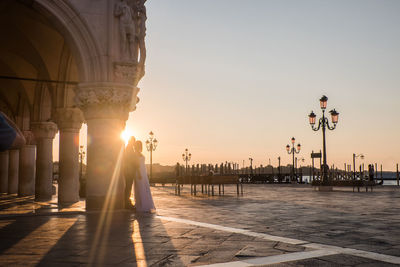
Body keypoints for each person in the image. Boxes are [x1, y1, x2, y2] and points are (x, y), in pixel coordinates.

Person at [133, 140, 156, 213]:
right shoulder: (135, 154)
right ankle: (141, 205)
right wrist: (139, 173)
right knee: (140, 189)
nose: (141, 146)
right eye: (140, 145)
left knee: (145, 188)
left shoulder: (140, 154)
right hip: (139, 173)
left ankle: (146, 205)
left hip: (143, 173)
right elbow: (136, 166)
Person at [122, 136, 139, 210]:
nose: (134, 143)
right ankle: (127, 203)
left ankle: (127, 202)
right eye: (133, 141)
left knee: (128, 187)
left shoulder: (128, 147)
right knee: (128, 187)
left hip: (128, 170)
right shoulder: (129, 148)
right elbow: (130, 159)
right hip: (129, 170)